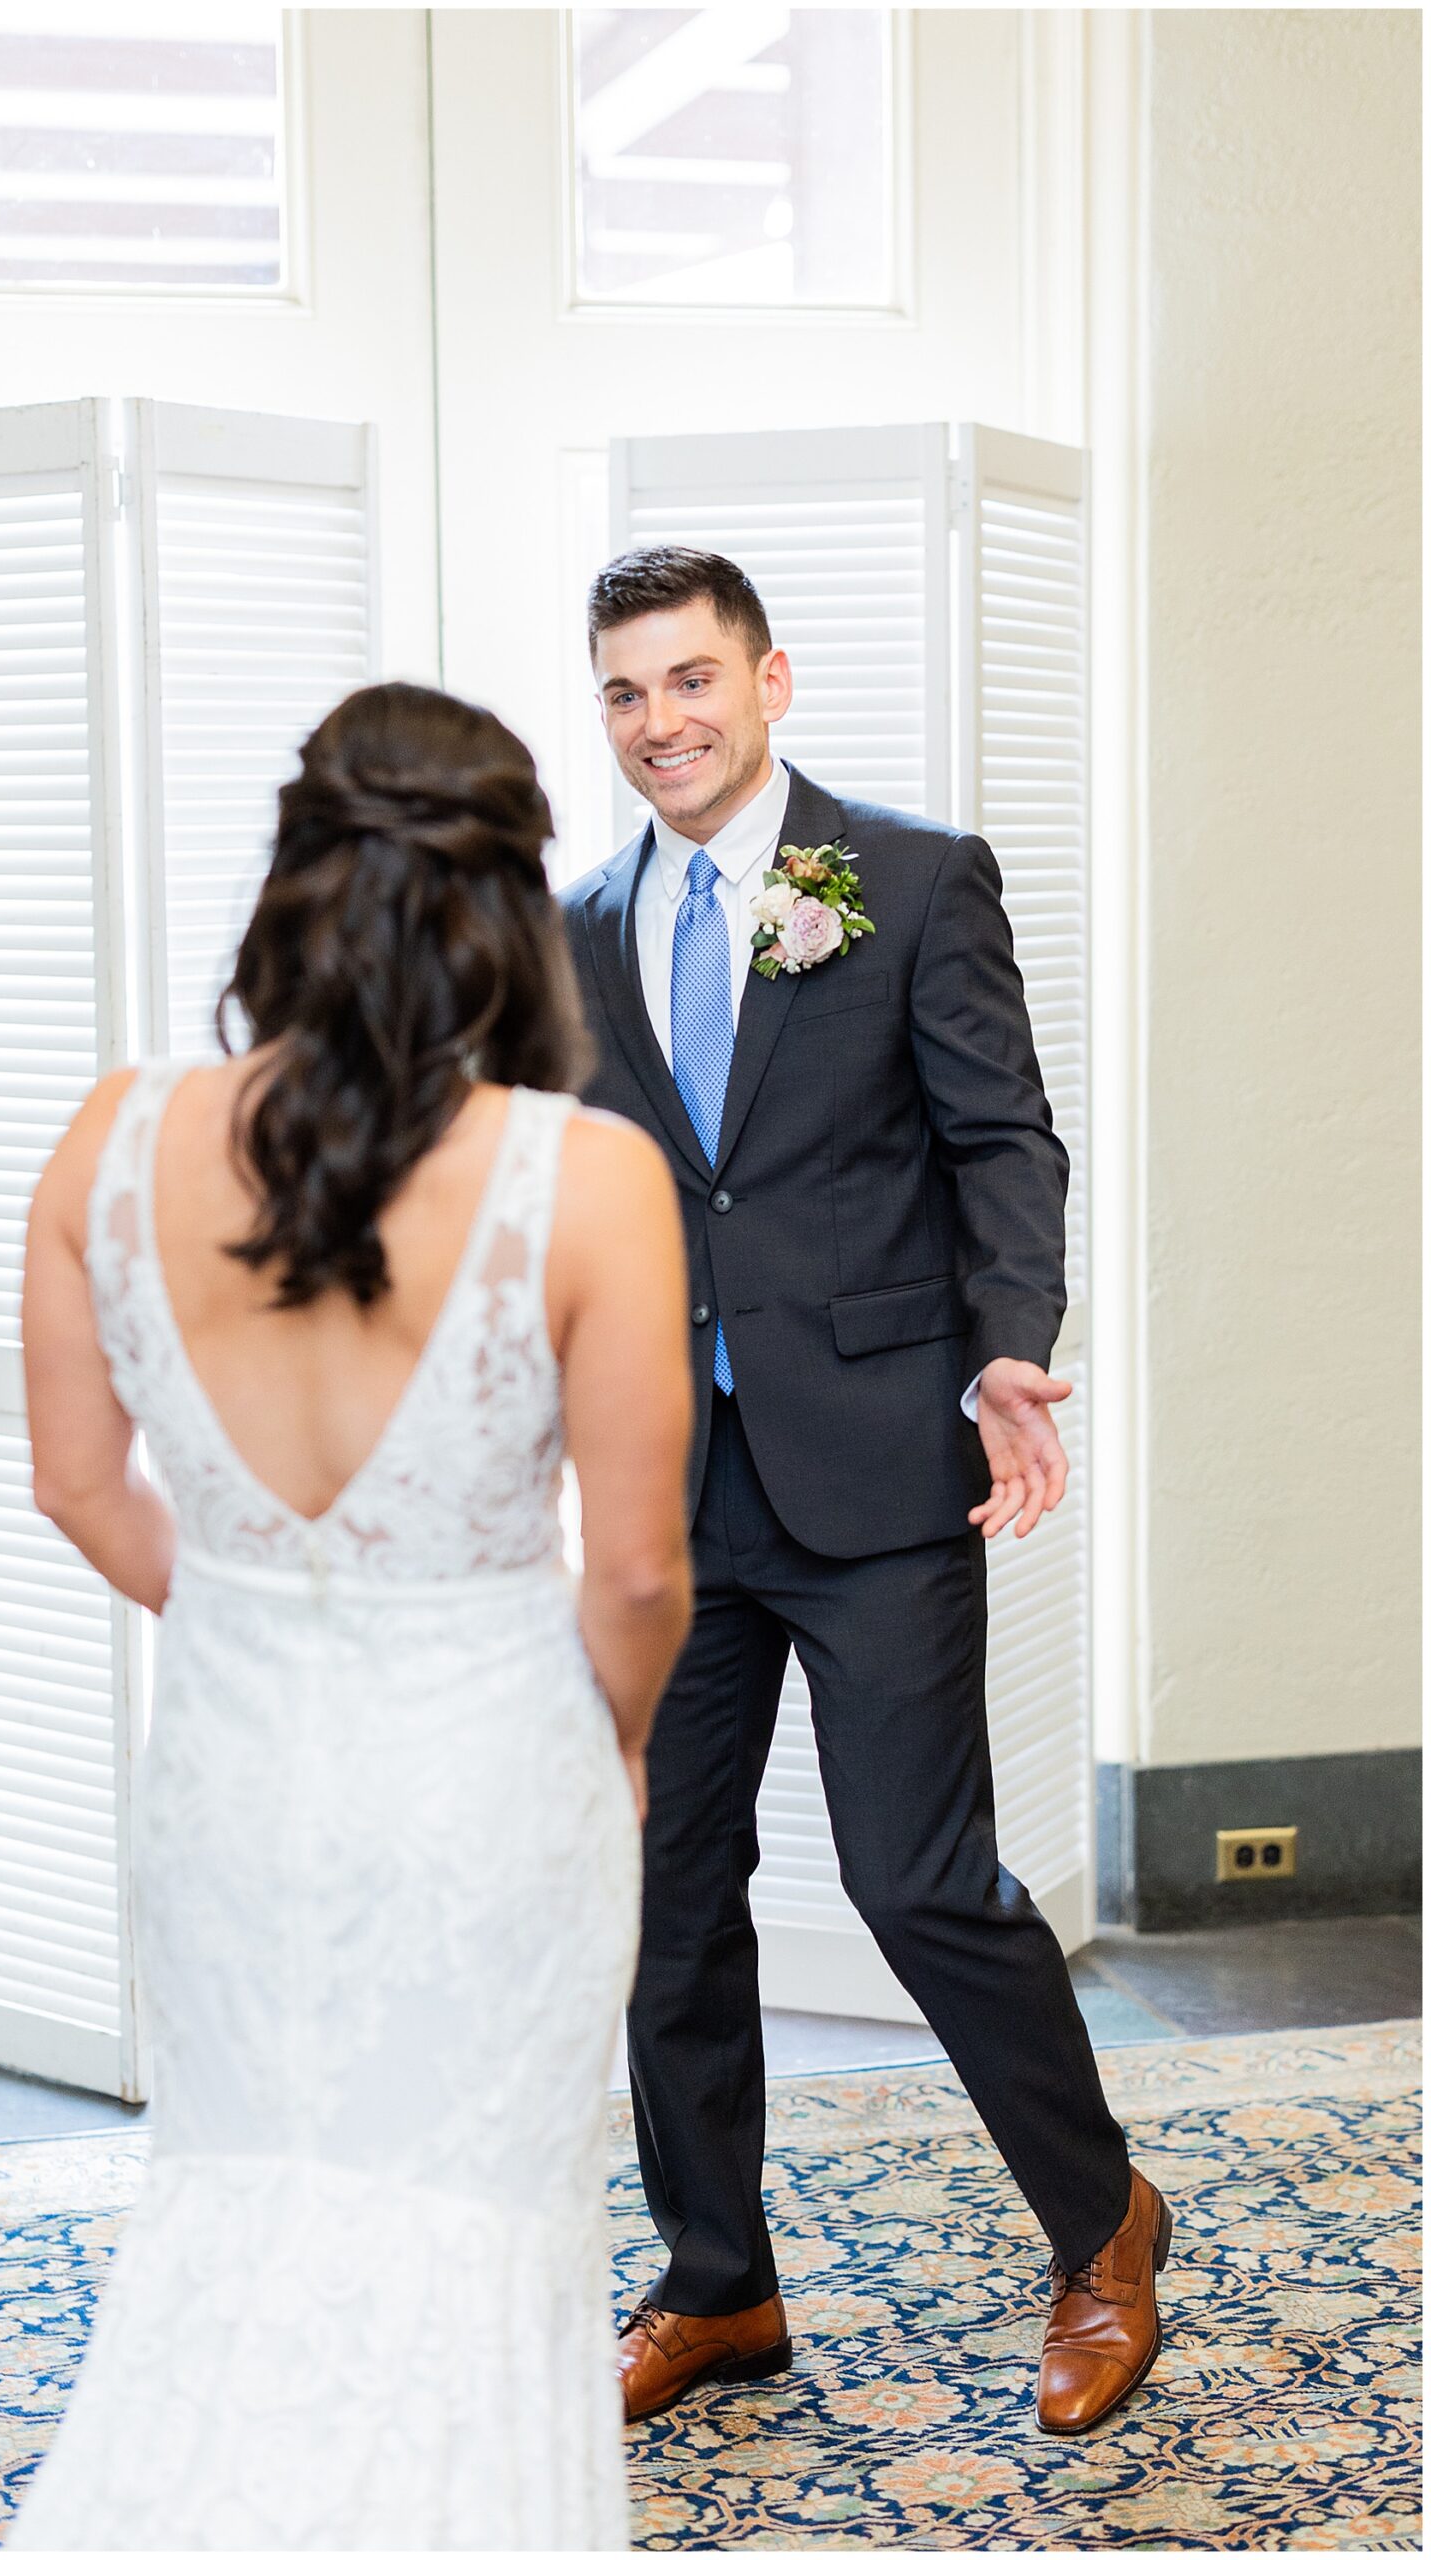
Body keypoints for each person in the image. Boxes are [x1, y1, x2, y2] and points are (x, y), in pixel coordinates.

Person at [11, 682, 694, 2550]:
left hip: (230, 1787)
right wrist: (618, 1741)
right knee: (480, 2240)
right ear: (510, 911)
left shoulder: (112, 1137)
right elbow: (639, 1572)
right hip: (492, 1777)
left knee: (242, 2203)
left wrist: (261, 1609)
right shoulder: (585, 1176)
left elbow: (77, 1489)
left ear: (293, 877)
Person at [559, 546, 1171, 2438]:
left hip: (880, 1473)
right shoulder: (576, 924)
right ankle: (717, 2283)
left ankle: (1103, 2226)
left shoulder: (903, 879)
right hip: (675, 1492)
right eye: (626, 692)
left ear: (769, 680)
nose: (661, 721)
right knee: (666, 1891)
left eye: (692, 679)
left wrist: (1006, 1347)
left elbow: (1003, 1139)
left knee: (919, 1880)